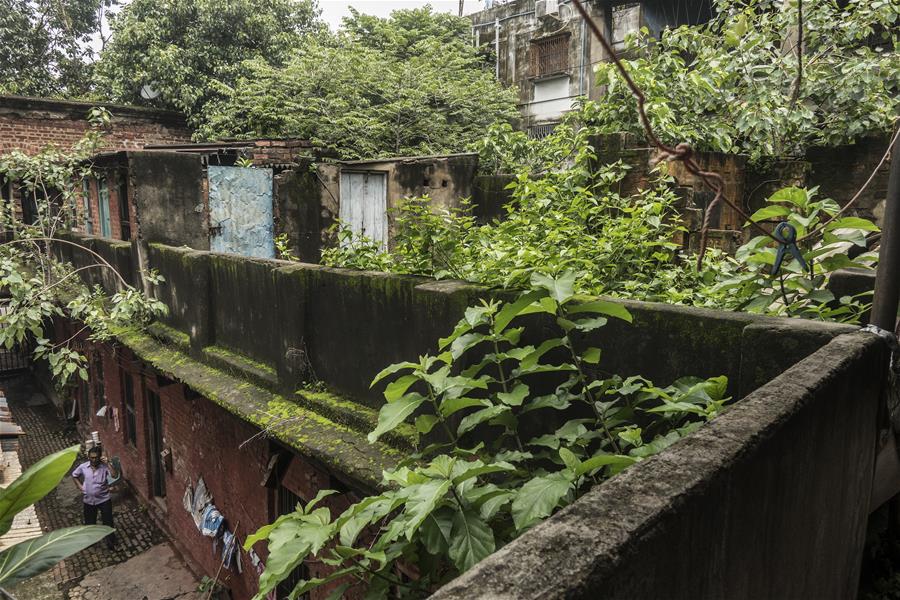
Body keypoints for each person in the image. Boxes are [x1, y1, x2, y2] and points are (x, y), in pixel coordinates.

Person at [72, 446, 118, 549]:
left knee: (108, 521)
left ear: (99, 457)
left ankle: (111, 541)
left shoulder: (104, 467)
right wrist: (80, 487)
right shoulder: (83, 467)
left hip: (104, 499)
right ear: (88, 457)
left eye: (96, 457)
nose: (94, 460)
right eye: (91, 457)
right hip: (88, 501)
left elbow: (114, 475)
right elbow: (74, 475)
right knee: (90, 522)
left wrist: (108, 463)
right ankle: (90, 541)